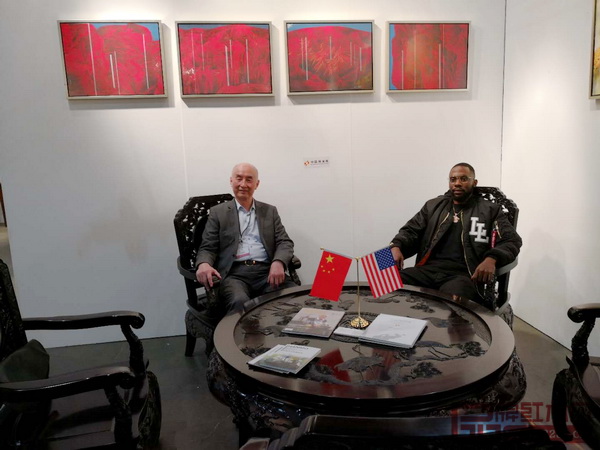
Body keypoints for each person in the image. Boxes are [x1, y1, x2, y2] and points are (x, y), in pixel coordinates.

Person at [389, 162, 522, 306]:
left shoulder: (490, 210)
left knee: (450, 306)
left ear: (474, 182)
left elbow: (511, 240)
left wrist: (492, 259)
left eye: (463, 179)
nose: (457, 183)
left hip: (463, 276)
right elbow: (410, 231)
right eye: (453, 179)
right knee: (379, 279)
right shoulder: (433, 205)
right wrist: (396, 246)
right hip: (425, 271)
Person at [195, 163, 295, 313]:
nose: (243, 184)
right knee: (239, 302)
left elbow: (284, 242)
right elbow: (208, 247)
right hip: (234, 275)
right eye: (239, 178)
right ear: (231, 181)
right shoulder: (218, 213)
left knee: (295, 297)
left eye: (249, 180)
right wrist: (203, 264)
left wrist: (279, 262)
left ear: (257, 184)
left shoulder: (269, 211)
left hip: (266, 272)